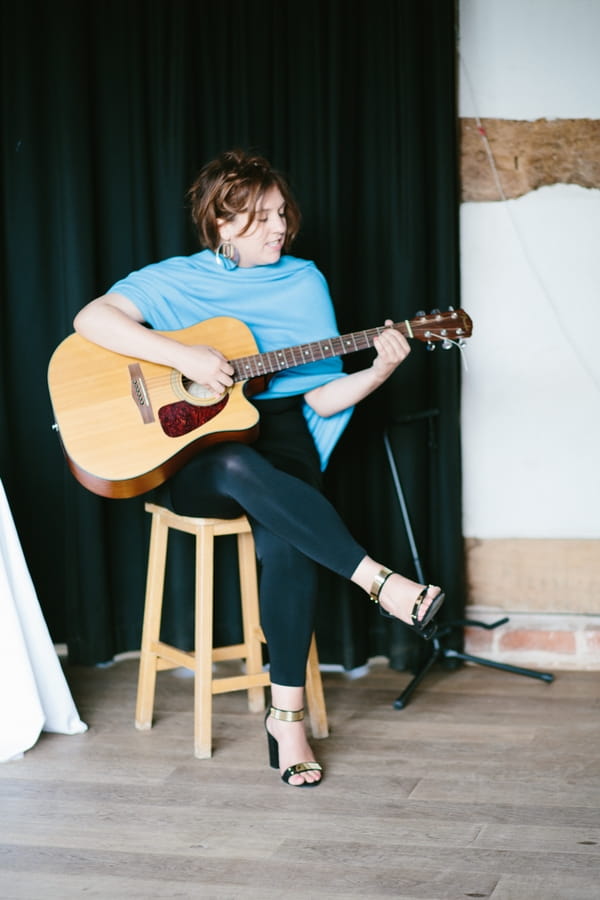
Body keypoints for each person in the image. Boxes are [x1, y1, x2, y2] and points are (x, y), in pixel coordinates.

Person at [74, 149, 445, 787]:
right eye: (259, 217)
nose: (279, 227)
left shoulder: (304, 281)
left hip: (283, 438)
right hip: (195, 453)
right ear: (220, 225)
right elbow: (91, 319)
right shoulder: (173, 279)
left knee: (291, 539)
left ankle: (287, 717)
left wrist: (380, 367)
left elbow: (321, 396)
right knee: (234, 462)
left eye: (280, 213)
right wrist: (182, 355)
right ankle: (382, 582)